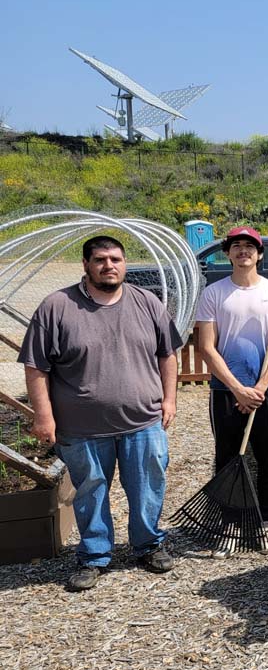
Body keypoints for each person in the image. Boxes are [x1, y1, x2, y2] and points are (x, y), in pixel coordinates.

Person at [19, 235, 183, 591]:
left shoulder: (147, 303)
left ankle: (148, 544)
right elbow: (36, 368)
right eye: (100, 260)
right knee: (91, 490)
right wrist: (43, 416)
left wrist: (169, 400)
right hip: (82, 427)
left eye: (116, 259)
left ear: (124, 263)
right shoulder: (57, 307)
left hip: (143, 421)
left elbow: (167, 355)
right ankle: (95, 555)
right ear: (86, 265)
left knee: (148, 486)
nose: (109, 266)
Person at [195, 226, 268, 557]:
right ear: (228, 253)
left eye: (249, 247)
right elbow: (207, 348)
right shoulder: (214, 293)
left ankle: (267, 525)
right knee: (228, 459)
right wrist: (238, 389)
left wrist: (260, 388)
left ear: (259, 254)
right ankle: (231, 524)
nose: (243, 251)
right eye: (236, 246)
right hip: (226, 390)